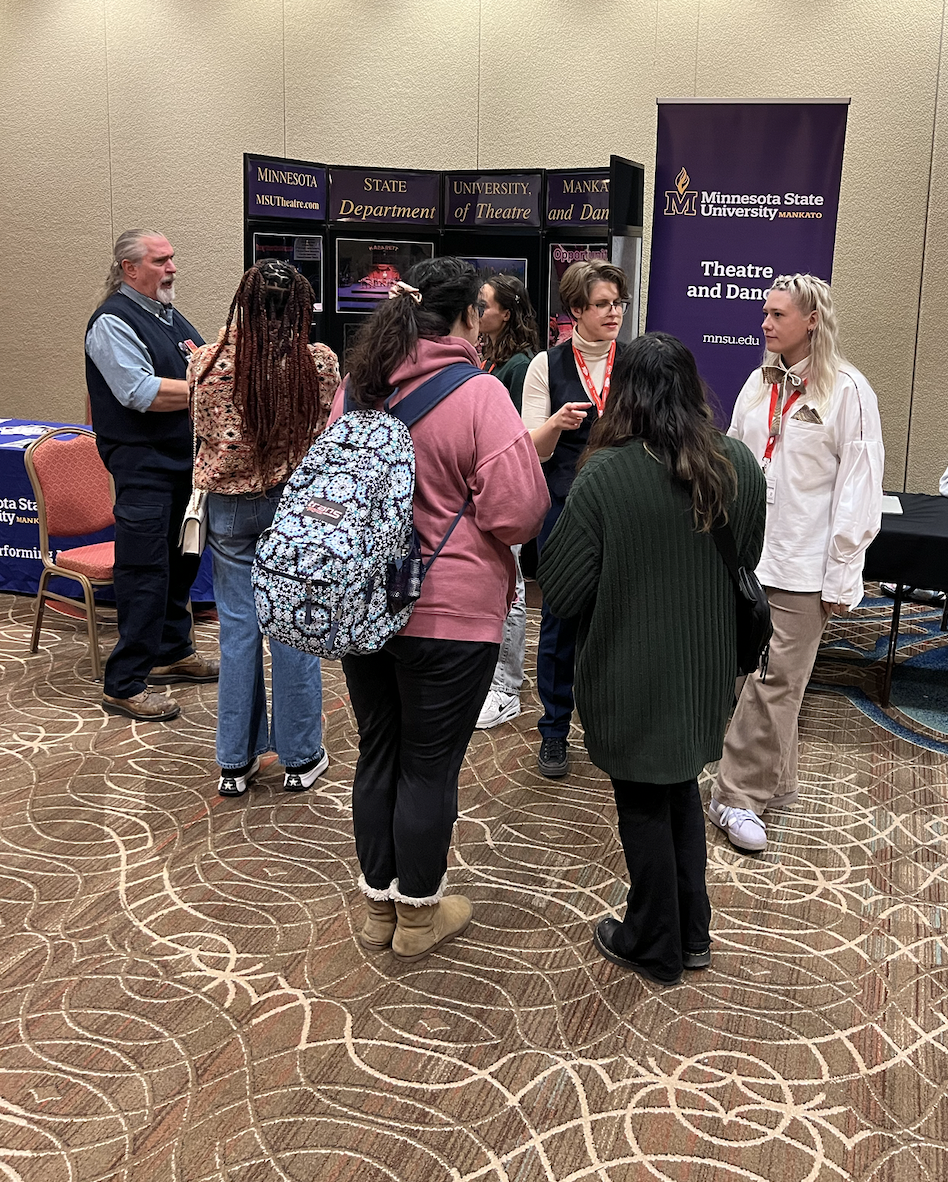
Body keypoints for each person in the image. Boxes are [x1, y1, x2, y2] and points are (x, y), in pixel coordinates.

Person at [334, 257, 549, 962]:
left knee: (378, 752)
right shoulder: (481, 394)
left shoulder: (356, 387)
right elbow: (517, 513)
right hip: (450, 613)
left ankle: (376, 907)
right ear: (465, 318)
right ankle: (419, 916)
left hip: (364, 606)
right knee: (429, 766)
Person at [537, 332, 766, 985]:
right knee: (679, 795)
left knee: (642, 803)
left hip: (628, 672)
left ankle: (654, 940)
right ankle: (693, 932)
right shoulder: (740, 466)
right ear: (694, 389)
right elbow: (744, 563)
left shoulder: (607, 475)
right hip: (704, 673)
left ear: (623, 395)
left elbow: (564, 588)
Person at [710, 274, 884, 852]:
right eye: (764, 312)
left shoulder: (848, 391)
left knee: (775, 683)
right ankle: (774, 783)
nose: (764, 323)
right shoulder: (757, 386)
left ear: (812, 321)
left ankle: (735, 797)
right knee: (749, 679)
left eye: (778, 315)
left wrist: (842, 573)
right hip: (750, 559)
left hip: (805, 568)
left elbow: (858, 490)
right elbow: (733, 457)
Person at [188, 261, 340, 797]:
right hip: (294, 510)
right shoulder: (317, 362)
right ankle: (300, 757)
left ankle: (236, 760)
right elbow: (327, 432)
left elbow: (202, 431)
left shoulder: (206, 361)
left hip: (228, 509)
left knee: (238, 631)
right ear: (300, 308)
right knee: (294, 629)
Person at [85, 229, 218, 722]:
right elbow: (141, 392)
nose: (173, 268)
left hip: (185, 465)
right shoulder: (113, 322)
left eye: (172, 259)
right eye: (162, 260)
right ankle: (124, 683)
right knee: (145, 572)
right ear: (129, 268)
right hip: (143, 467)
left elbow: (206, 365)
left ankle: (170, 650)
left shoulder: (167, 316)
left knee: (181, 562)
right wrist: (221, 390)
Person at [521, 259, 631, 778]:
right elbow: (530, 450)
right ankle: (554, 731)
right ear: (576, 311)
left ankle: (610, 727)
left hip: (624, 509)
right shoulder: (547, 365)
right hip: (564, 509)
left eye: (619, 303)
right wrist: (558, 425)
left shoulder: (634, 363)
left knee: (617, 621)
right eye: (604, 305)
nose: (615, 313)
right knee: (561, 621)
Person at [475, 273, 540, 729]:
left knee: (511, 585)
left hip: (501, 490)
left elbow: (510, 439)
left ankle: (506, 683)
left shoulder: (518, 366)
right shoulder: (489, 358)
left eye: (485, 305)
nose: (478, 312)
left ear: (507, 313)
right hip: (481, 489)